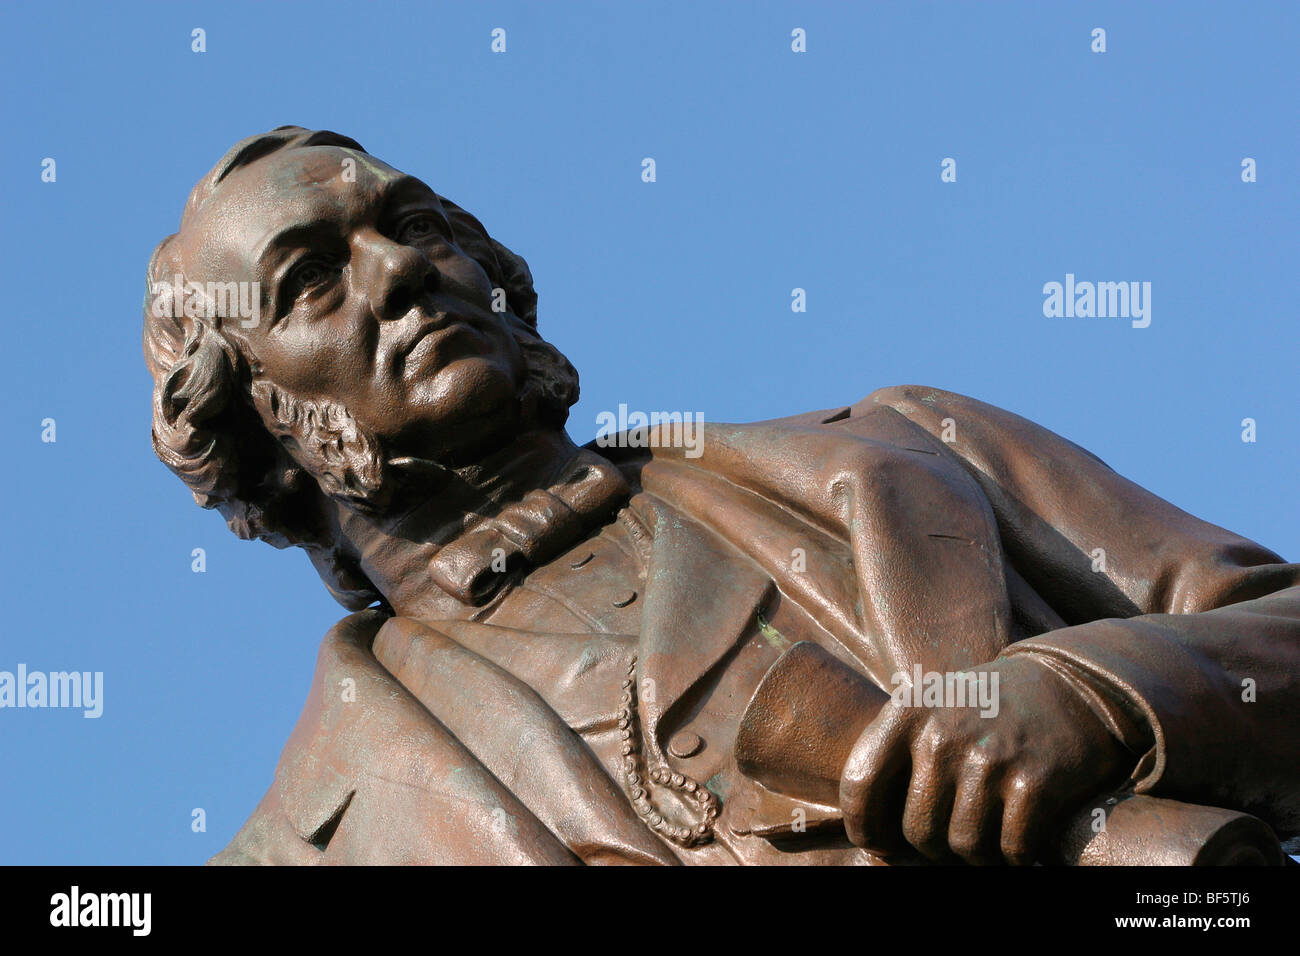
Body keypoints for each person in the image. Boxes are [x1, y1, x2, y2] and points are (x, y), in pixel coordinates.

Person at [143, 127, 1300, 865]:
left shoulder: (907, 450)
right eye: (310, 279)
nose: (399, 269)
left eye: (413, 226)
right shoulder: (305, 850)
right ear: (250, 426)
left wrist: (1090, 695)